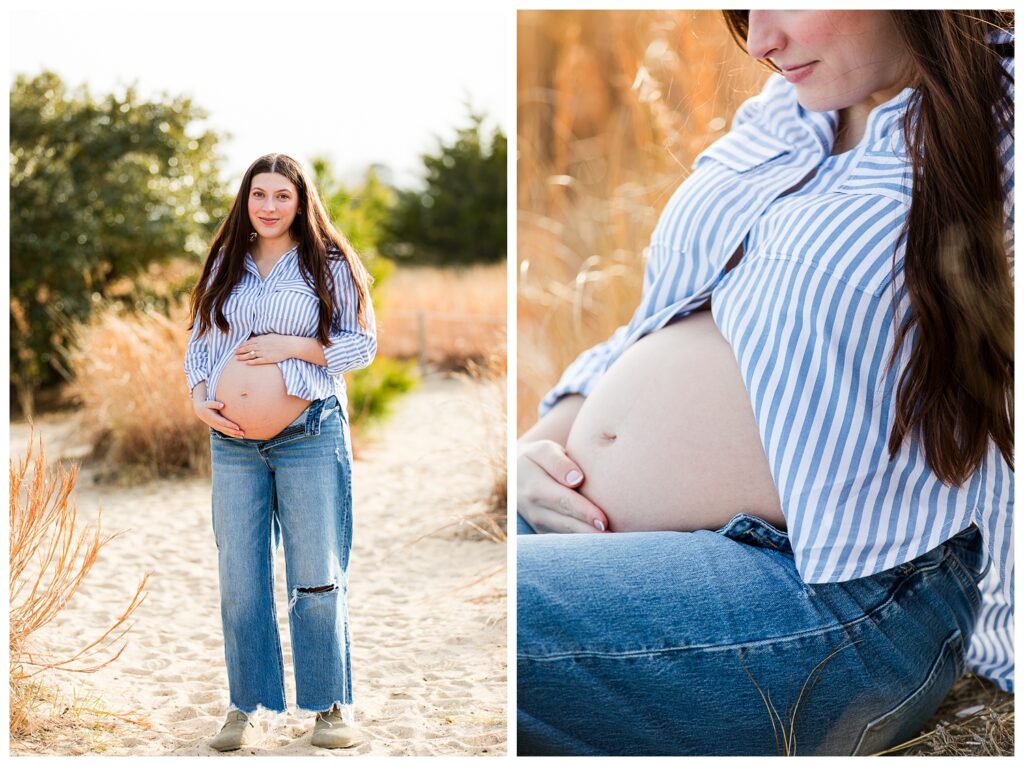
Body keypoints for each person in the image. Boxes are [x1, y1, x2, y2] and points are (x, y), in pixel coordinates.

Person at [517, 11, 1013, 755]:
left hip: (838, 592)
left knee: (508, 613)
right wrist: (546, 437)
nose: (758, 42)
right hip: (637, 540)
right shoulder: (790, 111)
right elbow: (669, 309)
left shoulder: (1003, 124)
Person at [183, 152, 376, 751]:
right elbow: (200, 340)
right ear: (246, 200)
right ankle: (245, 705)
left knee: (316, 574)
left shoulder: (331, 263)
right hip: (233, 442)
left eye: (281, 196)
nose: (268, 207)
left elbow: (361, 345)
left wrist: (294, 345)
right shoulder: (225, 262)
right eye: (258, 195)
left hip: (310, 435)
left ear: (301, 201)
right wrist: (198, 397)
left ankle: (328, 707)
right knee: (239, 579)